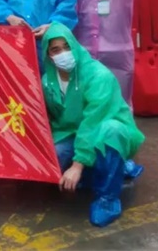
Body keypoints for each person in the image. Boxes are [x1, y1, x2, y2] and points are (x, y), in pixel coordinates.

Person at [41, 22, 145, 228]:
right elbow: (53, 120)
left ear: (75, 45)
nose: (63, 54)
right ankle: (112, 170)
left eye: (67, 47)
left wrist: (77, 165)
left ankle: (108, 199)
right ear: (48, 55)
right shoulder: (48, 81)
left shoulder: (98, 76)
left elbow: (93, 122)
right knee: (52, 162)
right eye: (55, 50)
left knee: (110, 132)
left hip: (105, 130)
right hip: (72, 132)